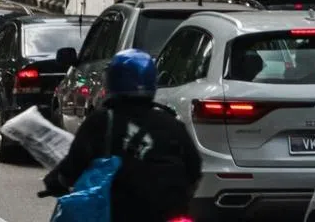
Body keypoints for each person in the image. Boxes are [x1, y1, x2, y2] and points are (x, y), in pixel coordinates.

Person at [42, 49, 202, 222]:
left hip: (119, 211)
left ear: (112, 80)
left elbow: (75, 162)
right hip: (168, 211)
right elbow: (194, 166)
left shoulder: (102, 121)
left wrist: (57, 180)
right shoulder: (171, 122)